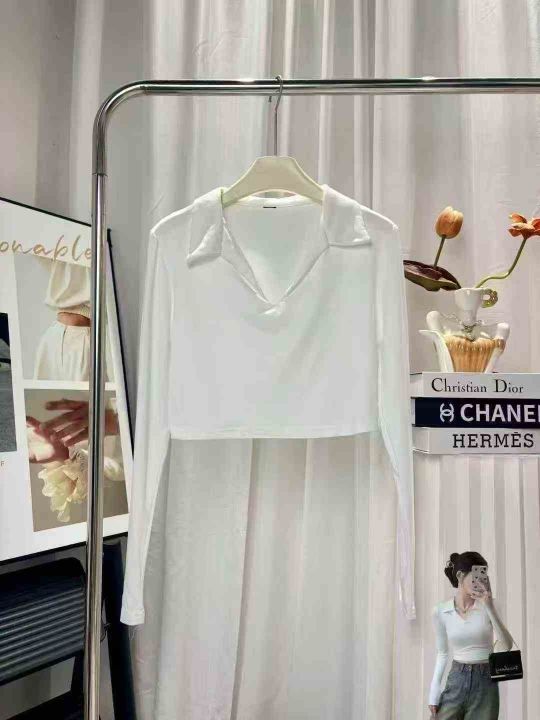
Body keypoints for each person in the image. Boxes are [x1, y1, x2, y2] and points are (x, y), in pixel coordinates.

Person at [428, 551, 513, 719]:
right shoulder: (441, 611)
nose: (480, 581)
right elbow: (442, 653)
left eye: (483, 575)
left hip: (486, 682)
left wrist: (489, 606)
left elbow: (506, 646)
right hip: (457, 678)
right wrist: (433, 692)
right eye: (476, 575)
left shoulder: (491, 605)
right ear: (460, 576)